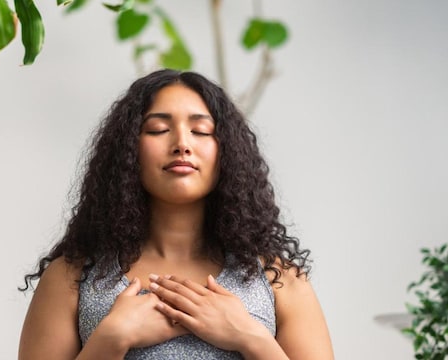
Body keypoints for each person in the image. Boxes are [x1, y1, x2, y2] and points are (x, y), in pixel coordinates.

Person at [18, 69, 334, 360]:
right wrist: (111, 339)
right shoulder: (70, 277)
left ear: (227, 151)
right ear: (128, 150)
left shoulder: (279, 279)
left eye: (201, 130)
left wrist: (250, 337)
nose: (182, 143)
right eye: (158, 129)